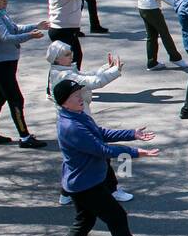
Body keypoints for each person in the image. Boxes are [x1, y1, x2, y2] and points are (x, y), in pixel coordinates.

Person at [51, 79, 162, 236]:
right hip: (86, 186)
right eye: (76, 96)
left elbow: (100, 133)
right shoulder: (71, 126)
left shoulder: (77, 115)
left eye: (80, 94)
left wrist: (131, 134)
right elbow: (102, 149)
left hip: (85, 182)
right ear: (64, 102)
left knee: (84, 221)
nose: (81, 99)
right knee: (117, 217)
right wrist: (135, 152)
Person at [46, 43, 135, 204]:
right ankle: (112, 190)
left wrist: (105, 68)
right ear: (57, 58)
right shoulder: (65, 75)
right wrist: (115, 71)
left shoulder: (64, 71)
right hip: (78, 119)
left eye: (70, 52)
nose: (71, 55)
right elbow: (92, 82)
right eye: (66, 54)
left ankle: (65, 193)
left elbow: (87, 75)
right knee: (101, 152)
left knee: (72, 158)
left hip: (72, 119)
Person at [0, 0, 50, 148]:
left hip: (4, 63)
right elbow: (7, 37)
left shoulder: (0, 14)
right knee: (16, 99)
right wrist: (30, 36)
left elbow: (15, 29)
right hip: (0, 64)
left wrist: (35, 26)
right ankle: (25, 137)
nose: (5, 1)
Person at [44, 0, 101, 69]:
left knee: (74, 58)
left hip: (65, 29)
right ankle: (67, 83)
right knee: (68, 61)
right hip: (63, 30)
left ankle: (71, 82)